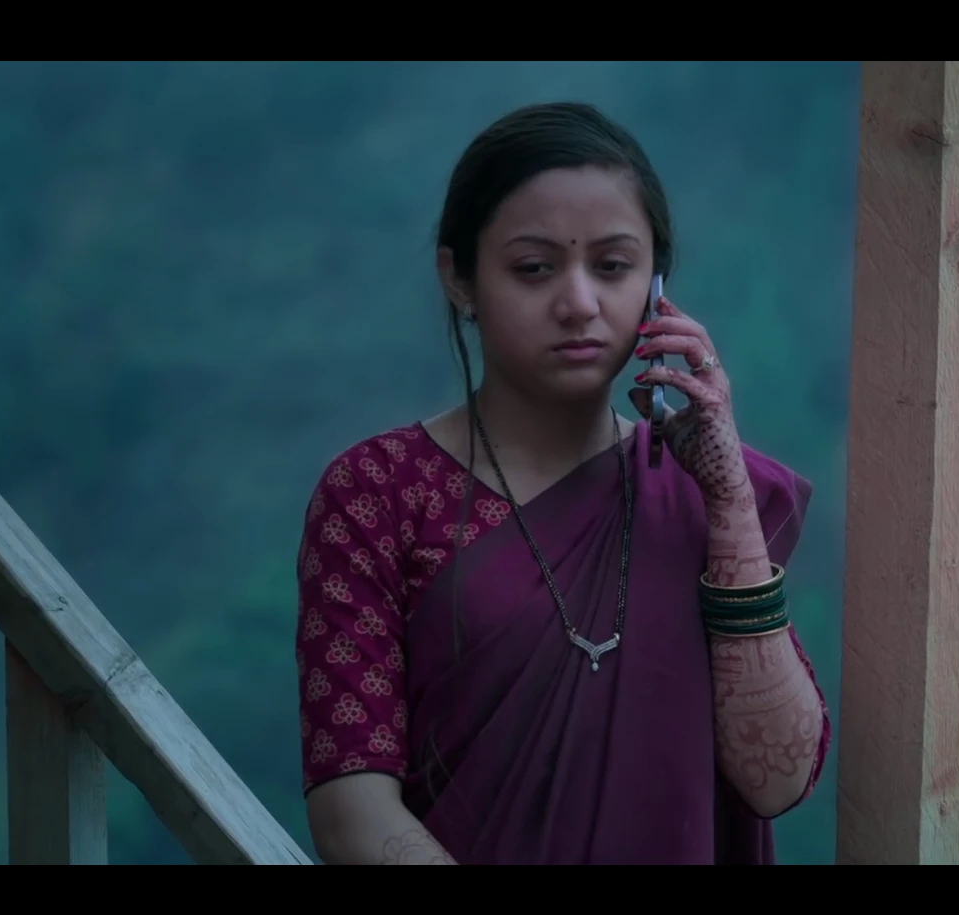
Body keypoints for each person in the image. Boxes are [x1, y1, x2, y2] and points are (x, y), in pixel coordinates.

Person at [293, 101, 831, 865]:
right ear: (459, 278)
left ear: (657, 286)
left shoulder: (704, 495)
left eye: (613, 267)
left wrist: (731, 503)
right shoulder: (377, 492)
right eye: (534, 268)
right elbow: (351, 808)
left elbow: (776, 779)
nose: (580, 304)